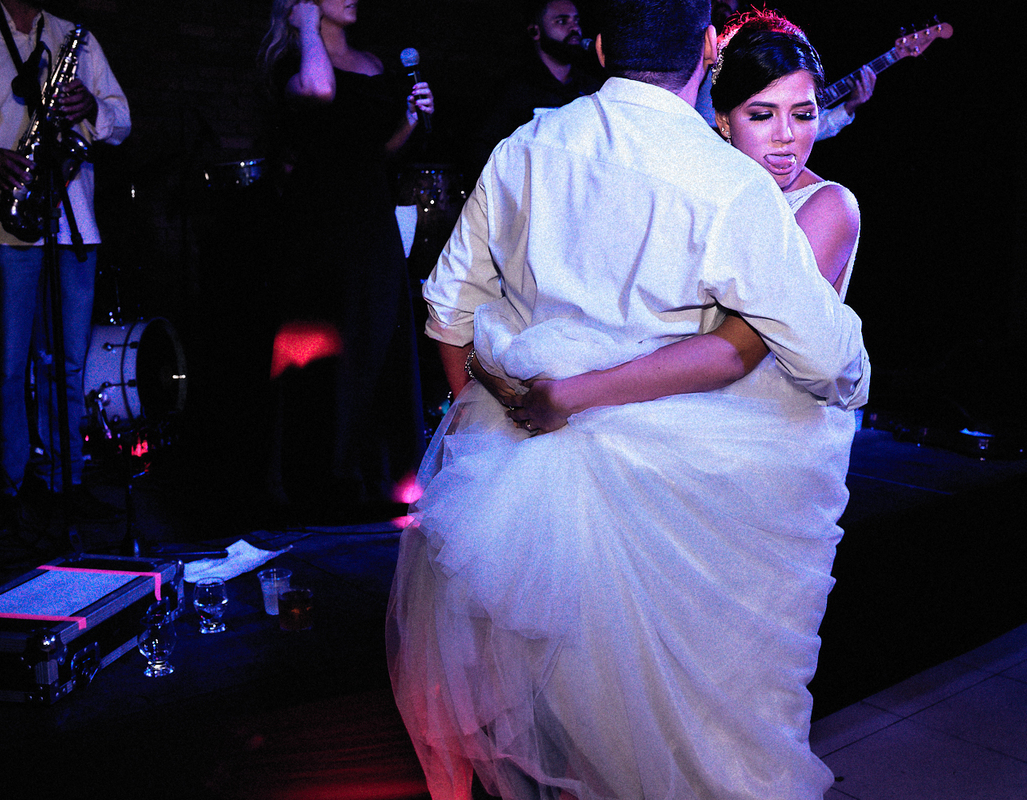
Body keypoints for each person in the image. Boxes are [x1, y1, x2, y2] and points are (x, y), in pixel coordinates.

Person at [387, 2, 869, 798]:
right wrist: (853, 371)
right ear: (712, 49)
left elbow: (448, 311)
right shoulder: (727, 183)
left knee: (568, 719)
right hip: (686, 503)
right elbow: (822, 354)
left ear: (602, 44)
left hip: (530, 492)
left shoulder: (528, 146)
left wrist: (489, 434)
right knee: (703, 731)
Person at [503, 7, 861, 434]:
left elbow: (736, 349)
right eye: (762, 115)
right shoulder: (697, 184)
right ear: (724, 122)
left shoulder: (829, 205)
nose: (786, 134)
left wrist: (575, 393)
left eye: (803, 115)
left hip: (762, 420)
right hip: (663, 397)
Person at [258, 0, 434, 519]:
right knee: (328, 343)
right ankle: (322, 481)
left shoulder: (376, 63)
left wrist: (410, 118)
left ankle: (378, 478)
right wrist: (307, 27)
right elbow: (319, 91)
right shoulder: (294, 65)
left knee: (376, 337)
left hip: (371, 217)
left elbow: (376, 152)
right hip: (318, 224)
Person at [0, 0, 130, 549]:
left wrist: (90, 106)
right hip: (1, 216)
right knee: (6, 366)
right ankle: (1, 491)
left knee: (67, 363)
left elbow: (121, 120)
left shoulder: (74, 38)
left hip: (71, 219)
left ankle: (65, 481)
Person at [696, 0, 874, 141]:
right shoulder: (687, 46)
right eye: (762, 115)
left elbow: (800, 130)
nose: (785, 136)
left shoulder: (759, 48)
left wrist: (849, 107)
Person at [470, 0, 603, 173]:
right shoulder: (515, 89)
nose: (574, 29)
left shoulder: (592, 88)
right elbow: (483, 149)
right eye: (562, 21)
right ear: (535, 31)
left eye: (576, 21)